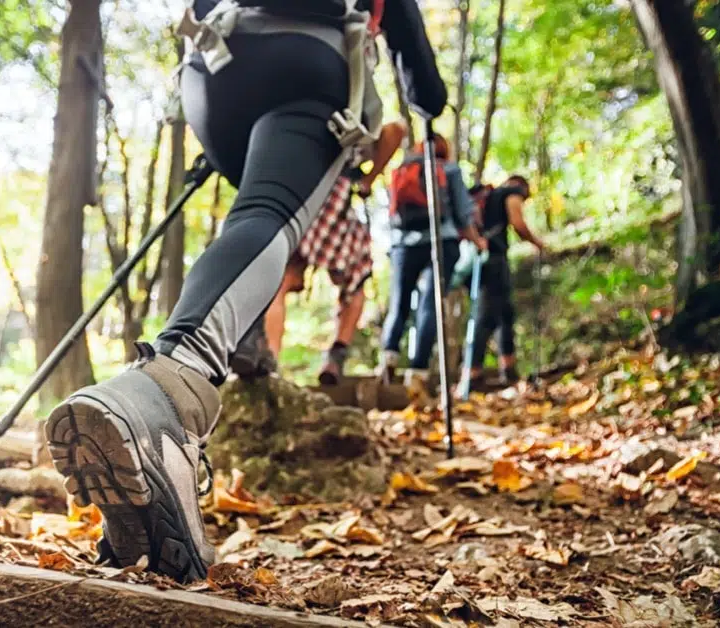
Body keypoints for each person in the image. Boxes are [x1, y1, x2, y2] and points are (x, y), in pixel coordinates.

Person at [43, 0, 447, 583]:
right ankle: (170, 397)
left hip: (211, 74)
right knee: (268, 215)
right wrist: (426, 100)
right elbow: (424, 90)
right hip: (307, 66)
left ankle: (245, 351)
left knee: (251, 212)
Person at [232, 120, 408, 385]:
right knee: (355, 282)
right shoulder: (352, 112)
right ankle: (336, 355)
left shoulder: (296, 119)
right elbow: (397, 129)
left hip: (296, 195)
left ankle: (267, 359)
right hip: (335, 199)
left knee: (278, 282)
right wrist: (368, 179)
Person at [377, 135, 484, 385]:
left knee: (399, 303)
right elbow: (463, 213)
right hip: (441, 241)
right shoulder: (449, 169)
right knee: (430, 303)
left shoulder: (402, 169)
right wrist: (477, 240)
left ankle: (388, 358)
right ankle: (418, 370)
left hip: (404, 244)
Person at [465, 175, 546, 385]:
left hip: (476, 260)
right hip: (493, 258)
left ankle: (506, 368)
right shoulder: (510, 193)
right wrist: (537, 243)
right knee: (487, 315)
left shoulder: (487, 196)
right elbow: (517, 222)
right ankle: (474, 372)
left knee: (503, 313)